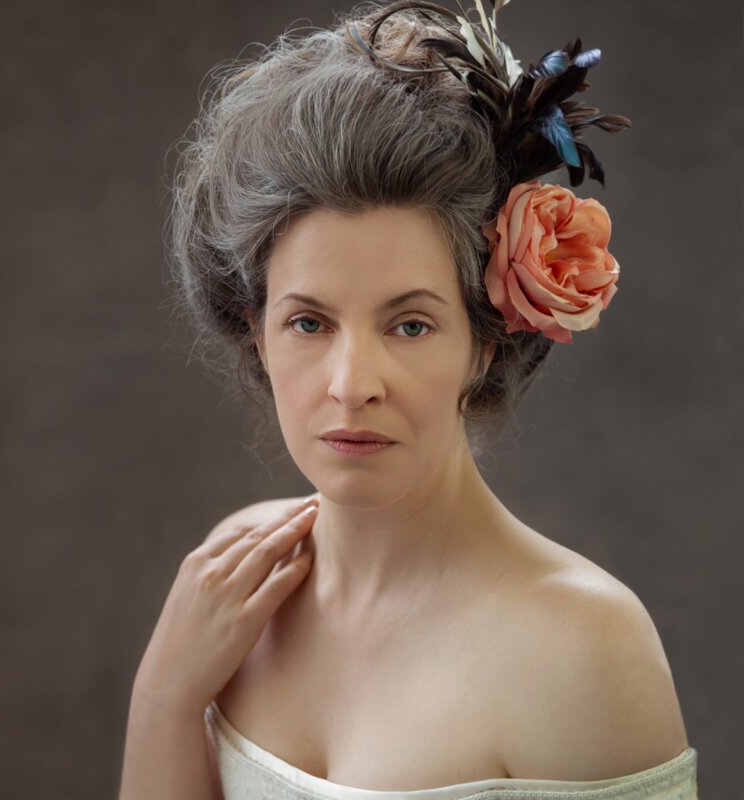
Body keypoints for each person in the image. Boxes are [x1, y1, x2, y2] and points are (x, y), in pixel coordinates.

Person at [118, 1, 699, 798]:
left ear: (486, 339)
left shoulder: (584, 644)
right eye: (309, 322)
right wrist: (165, 697)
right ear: (256, 333)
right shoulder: (235, 578)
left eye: (411, 324)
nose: (353, 384)